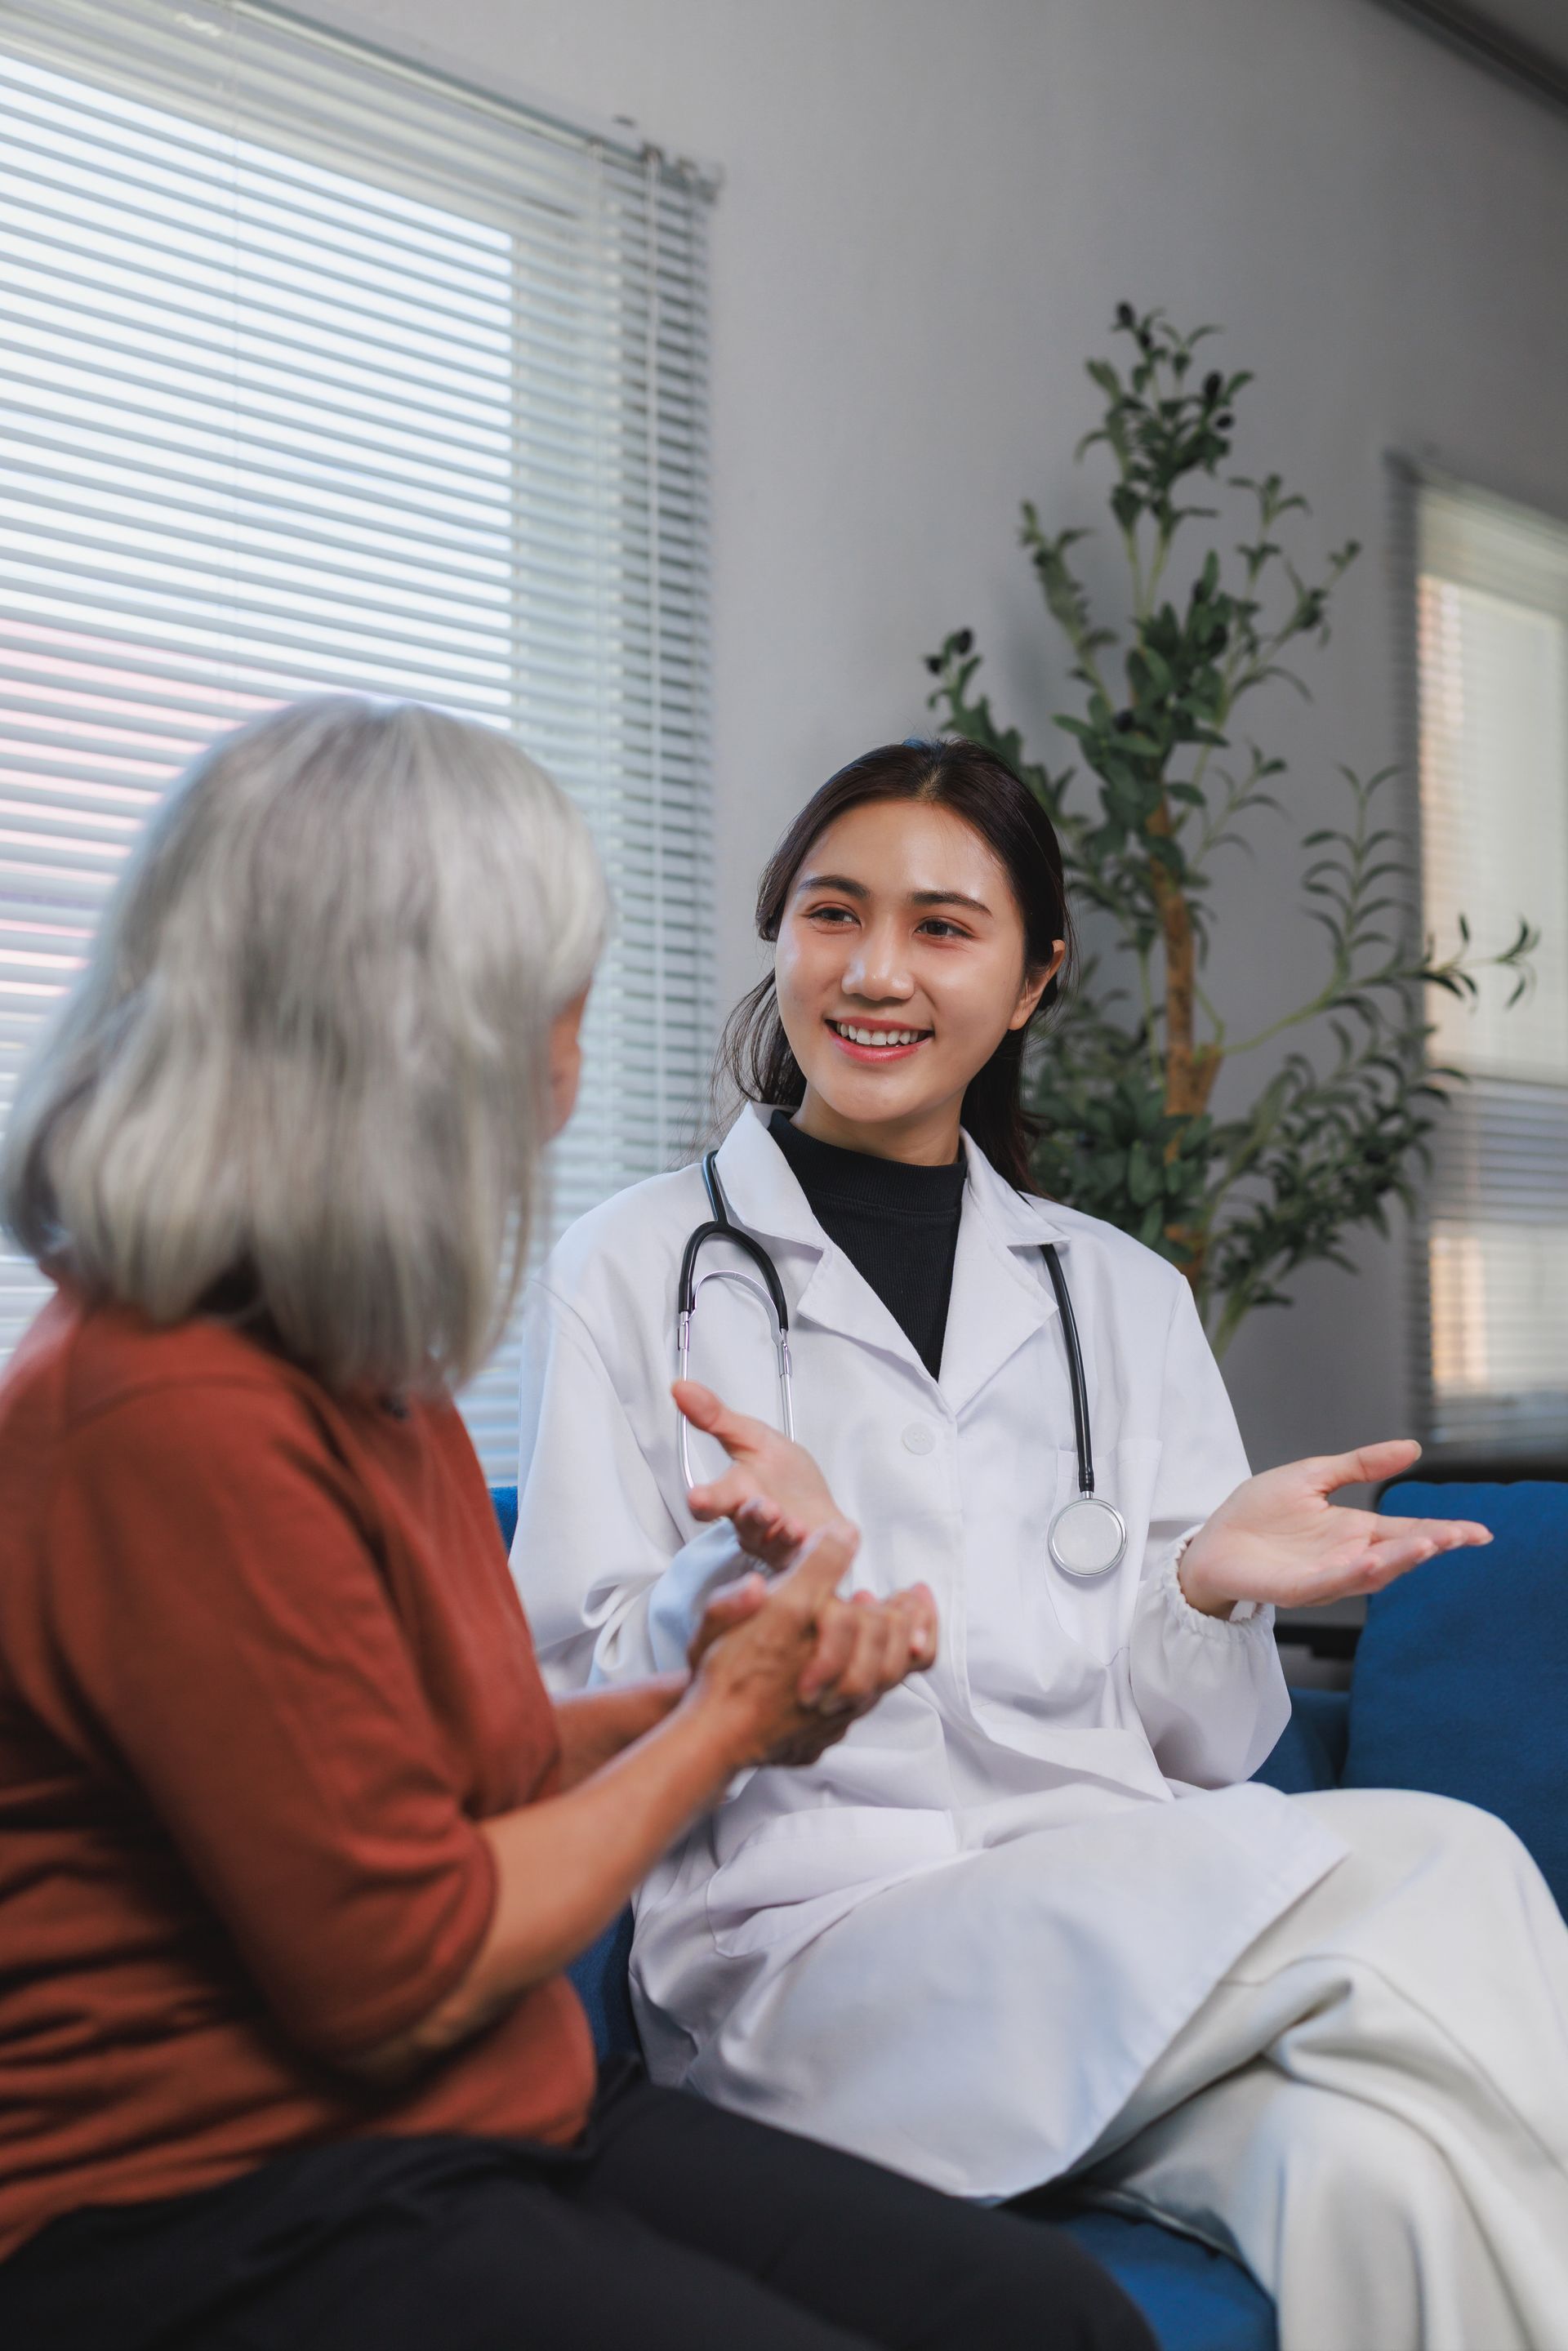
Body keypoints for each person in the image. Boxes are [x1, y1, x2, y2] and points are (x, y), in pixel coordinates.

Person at [0, 701, 1152, 2351]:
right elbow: (395, 1957)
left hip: (482, 2117)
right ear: (427, 1039)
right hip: (214, 2198)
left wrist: (739, 1694)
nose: (575, 1062)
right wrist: (722, 1733)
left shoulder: (352, 1369)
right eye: (560, 1005)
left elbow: (441, 1772)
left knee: (1053, 2324)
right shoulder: (159, 1410)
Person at [514, 735, 1568, 2351]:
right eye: (831, 913)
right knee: (1452, 1858)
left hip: (1096, 1920)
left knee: (1384, 2176)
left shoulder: (1116, 1295)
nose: (875, 971)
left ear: (1030, 981)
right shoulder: (639, 1263)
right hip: (810, 1965)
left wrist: (1205, 1584)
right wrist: (739, 1579)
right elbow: (558, 1698)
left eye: (943, 927)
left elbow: (1213, 1741)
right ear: (778, 932)